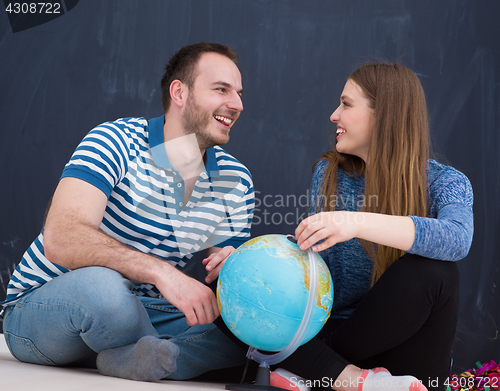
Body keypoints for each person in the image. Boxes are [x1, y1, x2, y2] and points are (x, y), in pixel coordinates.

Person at [0, 42, 255, 381]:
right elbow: (61, 238)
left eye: (238, 93)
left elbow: (230, 280)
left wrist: (233, 268)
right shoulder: (115, 141)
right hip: (47, 308)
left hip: (144, 312)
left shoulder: (234, 180)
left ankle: (136, 359)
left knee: (245, 330)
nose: (236, 104)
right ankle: (157, 355)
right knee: (106, 292)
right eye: (221, 89)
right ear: (179, 92)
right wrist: (162, 273)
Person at [217, 62, 472, 391]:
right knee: (224, 282)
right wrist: (247, 266)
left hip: (403, 360)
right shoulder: (330, 173)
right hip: (335, 343)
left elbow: (457, 239)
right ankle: (344, 378)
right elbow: (316, 276)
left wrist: (356, 222)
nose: (334, 115)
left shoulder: (445, 182)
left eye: (347, 104)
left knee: (437, 273)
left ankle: (316, 375)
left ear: (385, 116)